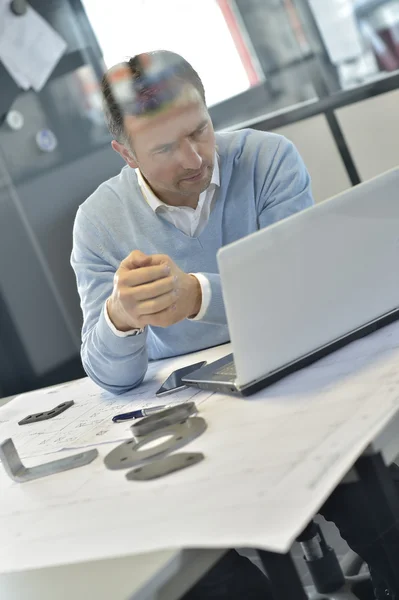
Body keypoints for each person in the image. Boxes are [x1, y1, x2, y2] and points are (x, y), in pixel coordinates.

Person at [71, 51, 399, 600]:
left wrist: (195, 294)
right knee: (212, 577)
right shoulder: (98, 222)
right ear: (125, 154)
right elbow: (111, 379)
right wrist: (121, 319)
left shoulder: (267, 159)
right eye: (164, 148)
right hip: (194, 422)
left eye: (200, 129)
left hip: (299, 384)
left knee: (379, 515)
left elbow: (306, 289)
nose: (195, 158)